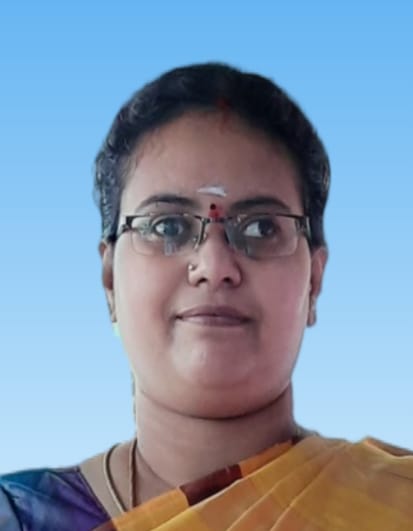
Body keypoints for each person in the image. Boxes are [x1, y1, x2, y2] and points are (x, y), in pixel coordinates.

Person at [0, 63, 412, 531]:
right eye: (167, 227)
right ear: (110, 279)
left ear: (314, 282)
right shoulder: (20, 517)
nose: (214, 266)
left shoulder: (399, 507)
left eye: (261, 228)